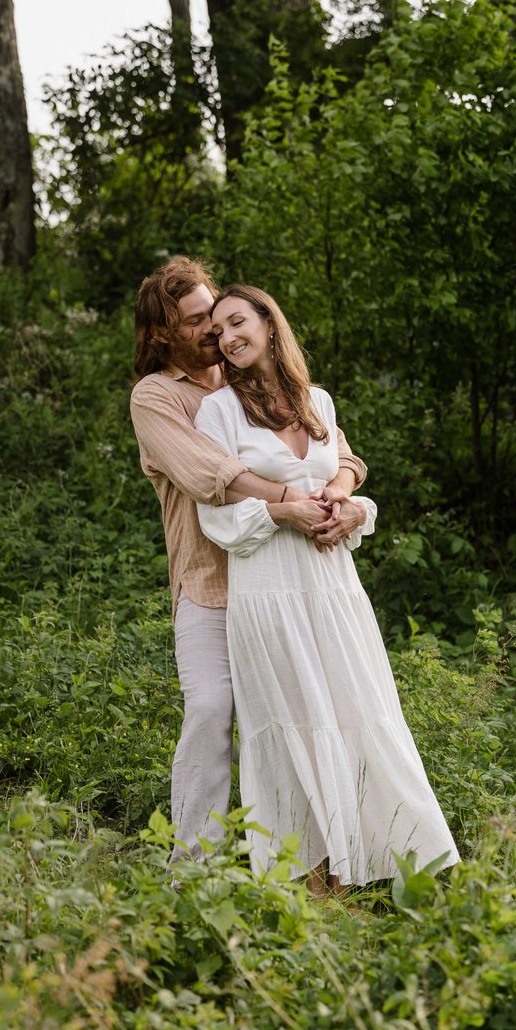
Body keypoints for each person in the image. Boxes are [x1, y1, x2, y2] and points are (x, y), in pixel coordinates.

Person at [194, 284, 459, 893]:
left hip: (332, 583)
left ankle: (365, 869)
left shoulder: (318, 402)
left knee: (354, 711)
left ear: (268, 322)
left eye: (239, 322)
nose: (230, 338)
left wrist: (347, 508)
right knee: (292, 721)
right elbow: (215, 506)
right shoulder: (218, 412)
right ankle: (306, 883)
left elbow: (343, 474)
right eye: (219, 332)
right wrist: (283, 512)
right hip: (267, 582)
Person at [129, 257, 368, 865]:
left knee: (303, 713)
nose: (214, 329)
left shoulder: (244, 377)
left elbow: (335, 448)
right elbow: (209, 474)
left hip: (285, 577)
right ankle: (195, 868)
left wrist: (338, 494)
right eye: (195, 321)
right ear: (163, 334)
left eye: (216, 313)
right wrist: (291, 500)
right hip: (212, 583)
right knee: (211, 710)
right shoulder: (155, 397)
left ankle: (315, 862)